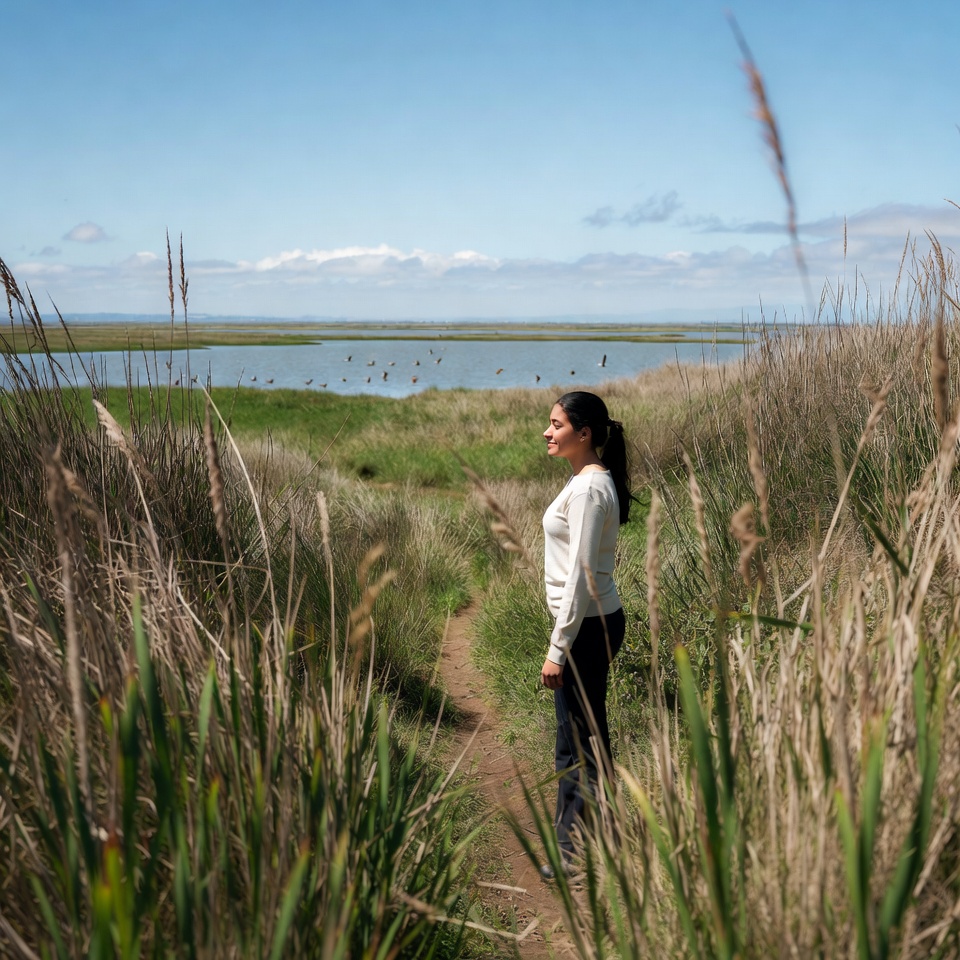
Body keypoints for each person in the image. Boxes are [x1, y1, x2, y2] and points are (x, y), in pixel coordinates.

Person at [540, 390, 632, 877]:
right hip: (583, 625)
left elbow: (581, 576)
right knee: (577, 737)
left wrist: (559, 648)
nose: (547, 431)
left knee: (579, 740)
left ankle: (576, 854)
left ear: (585, 432)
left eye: (556, 424)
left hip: (587, 628)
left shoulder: (590, 489)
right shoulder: (583, 482)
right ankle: (588, 839)